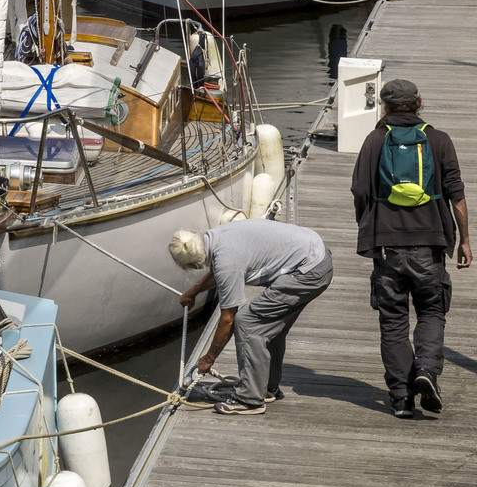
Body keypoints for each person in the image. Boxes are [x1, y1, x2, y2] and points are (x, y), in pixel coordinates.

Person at [350, 75, 470, 417]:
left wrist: (369, 225)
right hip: (430, 245)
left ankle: (401, 397)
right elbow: (456, 194)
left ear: (384, 106)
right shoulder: (439, 140)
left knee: (393, 320)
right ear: (419, 103)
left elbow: (359, 191)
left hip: (386, 246)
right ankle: (426, 371)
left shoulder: (374, 141)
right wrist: (464, 240)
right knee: (432, 310)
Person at [169, 216, 334, 414]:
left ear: (197, 265)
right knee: (269, 326)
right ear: (195, 235)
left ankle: (250, 399)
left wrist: (209, 359)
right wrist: (193, 292)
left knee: (248, 322)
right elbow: (220, 271)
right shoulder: (218, 236)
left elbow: (228, 318)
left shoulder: (226, 262)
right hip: (316, 258)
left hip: (307, 272)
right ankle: (266, 388)